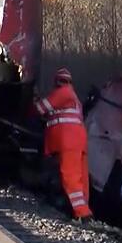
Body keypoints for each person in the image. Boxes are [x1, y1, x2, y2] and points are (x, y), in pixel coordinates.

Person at [33, 68, 93, 221]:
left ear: (58, 81)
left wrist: (33, 101)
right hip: (78, 140)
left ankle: (83, 215)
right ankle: (83, 210)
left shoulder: (63, 92)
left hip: (68, 141)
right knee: (80, 178)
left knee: (70, 176)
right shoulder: (74, 98)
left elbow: (40, 109)